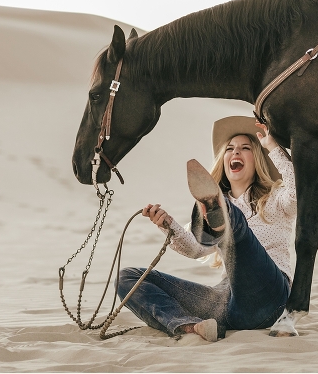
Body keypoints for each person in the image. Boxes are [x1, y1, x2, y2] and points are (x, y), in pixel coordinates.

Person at [116, 116, 297, 341]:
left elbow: (299, 192)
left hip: (270, 297)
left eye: (245, 148)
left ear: (257, 158)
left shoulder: (276, 199)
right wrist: (167, 224)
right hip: (227, 307)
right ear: (223, 160)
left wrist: (272, 146)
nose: (235, 153)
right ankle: (190, 326)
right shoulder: (214, 207)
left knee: (230, 216)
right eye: (229, 149)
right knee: (127, 278)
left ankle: (222, 218)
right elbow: (195, 249)